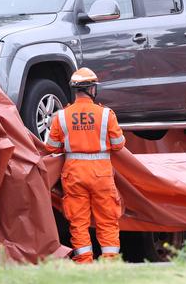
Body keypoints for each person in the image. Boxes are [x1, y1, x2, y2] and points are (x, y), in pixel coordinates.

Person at [45, 67, 126, 263]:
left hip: (74, 174)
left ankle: (84, 263)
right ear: (91, 89)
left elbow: (51, 147)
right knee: (107, 220)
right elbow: (118, 145)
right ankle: (109, 262)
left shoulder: (61, 116)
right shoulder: (106, 114)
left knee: (78, 222)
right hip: (101, 174)